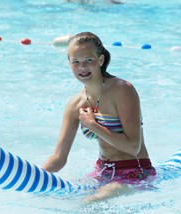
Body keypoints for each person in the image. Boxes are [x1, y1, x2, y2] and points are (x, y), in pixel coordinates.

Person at [42, 32, 156, 202]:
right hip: (103, 172)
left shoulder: (122, 90)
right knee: (62, 196)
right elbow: (59, 158)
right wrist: (33, 176)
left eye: (88, 60)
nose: (82, 67)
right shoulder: (75, 104)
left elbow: (133, 146)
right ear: (70, 64)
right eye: (76, 62)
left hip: (135, 171)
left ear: (101, 60)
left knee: (88, 203)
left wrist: (93, 125)